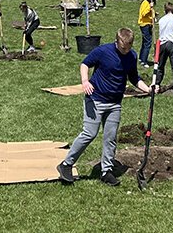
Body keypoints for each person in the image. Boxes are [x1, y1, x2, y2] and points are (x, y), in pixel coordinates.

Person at [56, 28, 155, 186]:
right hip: (95, 99)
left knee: (110, 138)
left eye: (128, 47)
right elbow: (85, 64)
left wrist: (148, 89)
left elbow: (134, 78)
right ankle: (66, 165)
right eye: (123, 47)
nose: (125, 50)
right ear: (117, 41)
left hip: (115, 103)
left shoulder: (132, 56)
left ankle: (106, 171)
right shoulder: (103, 51)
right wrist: (85, 81)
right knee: (89, 133)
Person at [137, 0, 156, 68]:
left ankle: (141, 58)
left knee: (145, 42)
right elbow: (144, 13)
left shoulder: (146, 3)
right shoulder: (146, 3)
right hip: (145, 25)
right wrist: (150, 7)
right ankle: (144, 61)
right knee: (148, 43)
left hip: (147, 24)